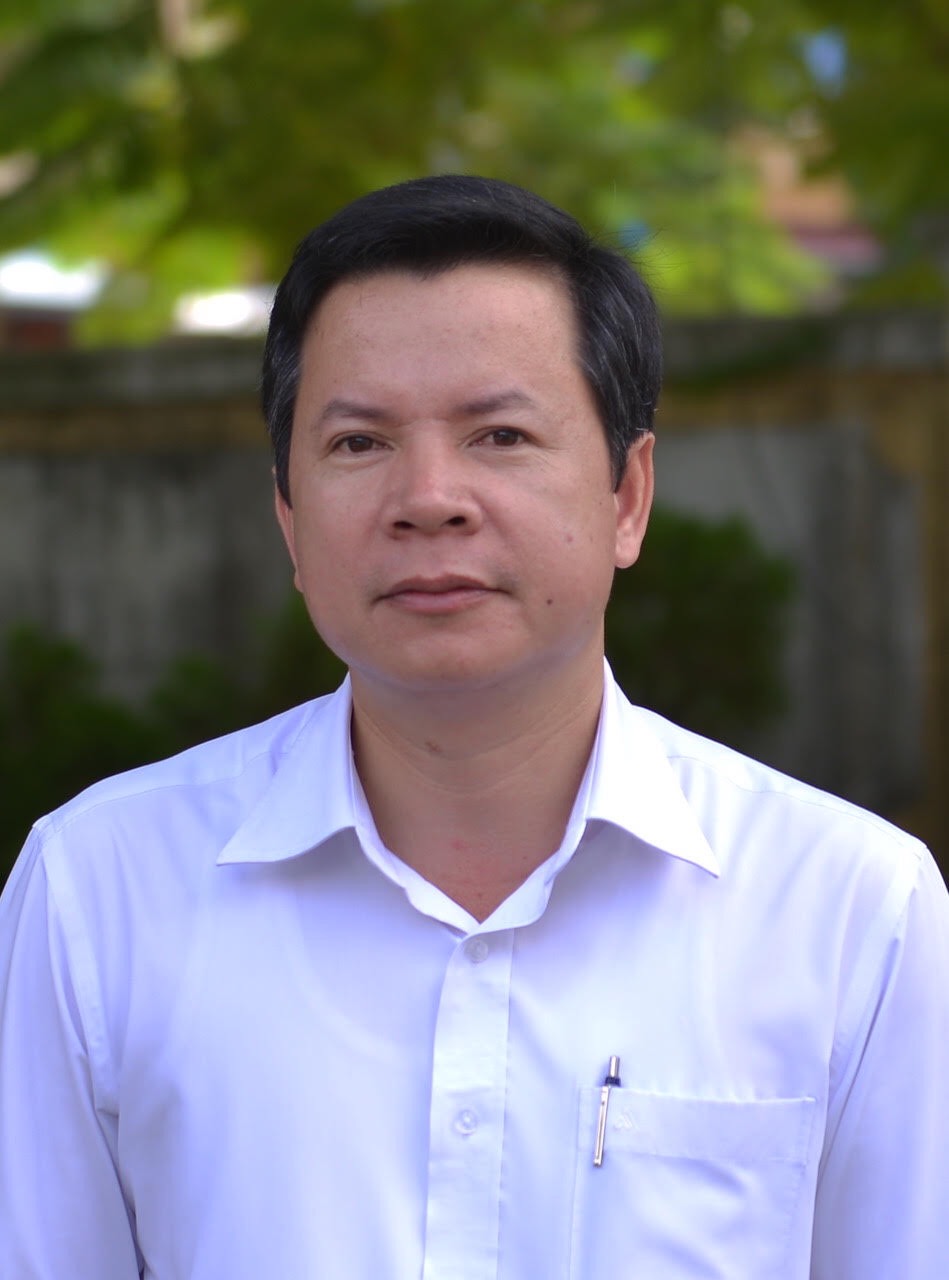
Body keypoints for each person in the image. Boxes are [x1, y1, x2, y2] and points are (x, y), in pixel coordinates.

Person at [1, 175, 947, 1280]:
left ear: (627, 496)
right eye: (359, 443)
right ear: (288, 516)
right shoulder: (99, 891)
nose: (429, 496)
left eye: (500, 433)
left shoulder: (850, 910)